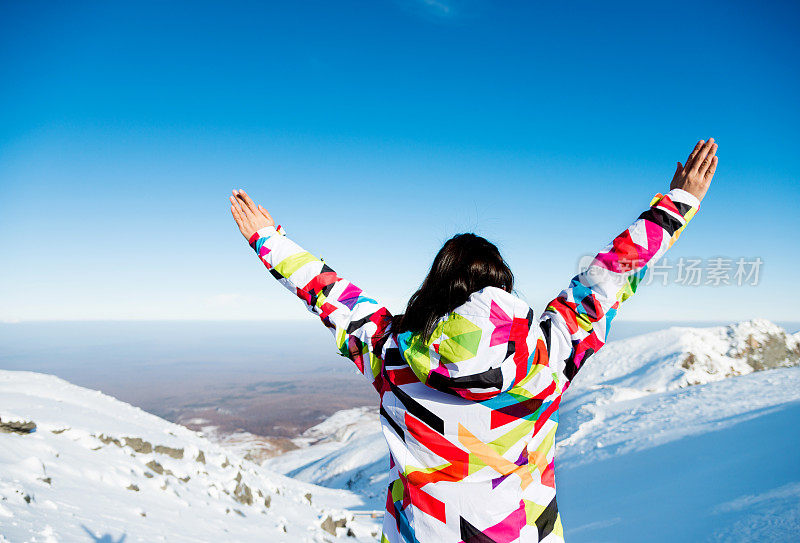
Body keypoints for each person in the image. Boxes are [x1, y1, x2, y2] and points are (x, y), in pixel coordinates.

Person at [229, 138, 718, 543]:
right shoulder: (548, 353)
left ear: (435, 287)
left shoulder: (393, 353)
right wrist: (679, 202)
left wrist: (267, 237)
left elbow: (329, 294)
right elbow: (608, 278)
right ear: (502, 287)